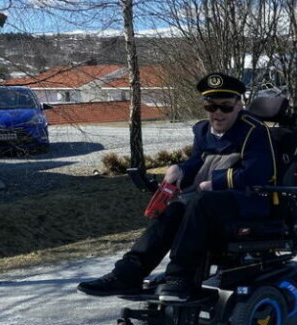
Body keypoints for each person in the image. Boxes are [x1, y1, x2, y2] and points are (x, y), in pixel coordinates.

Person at [78, 73, 277, 301]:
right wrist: (180, 169)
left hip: (247, 200)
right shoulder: (203, 130)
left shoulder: (254, 130)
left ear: (239, 105)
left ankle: (180, 277)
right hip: (209, 201)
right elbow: (196, 161)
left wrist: (216, 182)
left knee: (199, 202)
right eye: (211, 106)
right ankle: (127, 273)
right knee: (172, 209)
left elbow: (258, 172)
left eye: (226, 107)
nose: (218, 113)